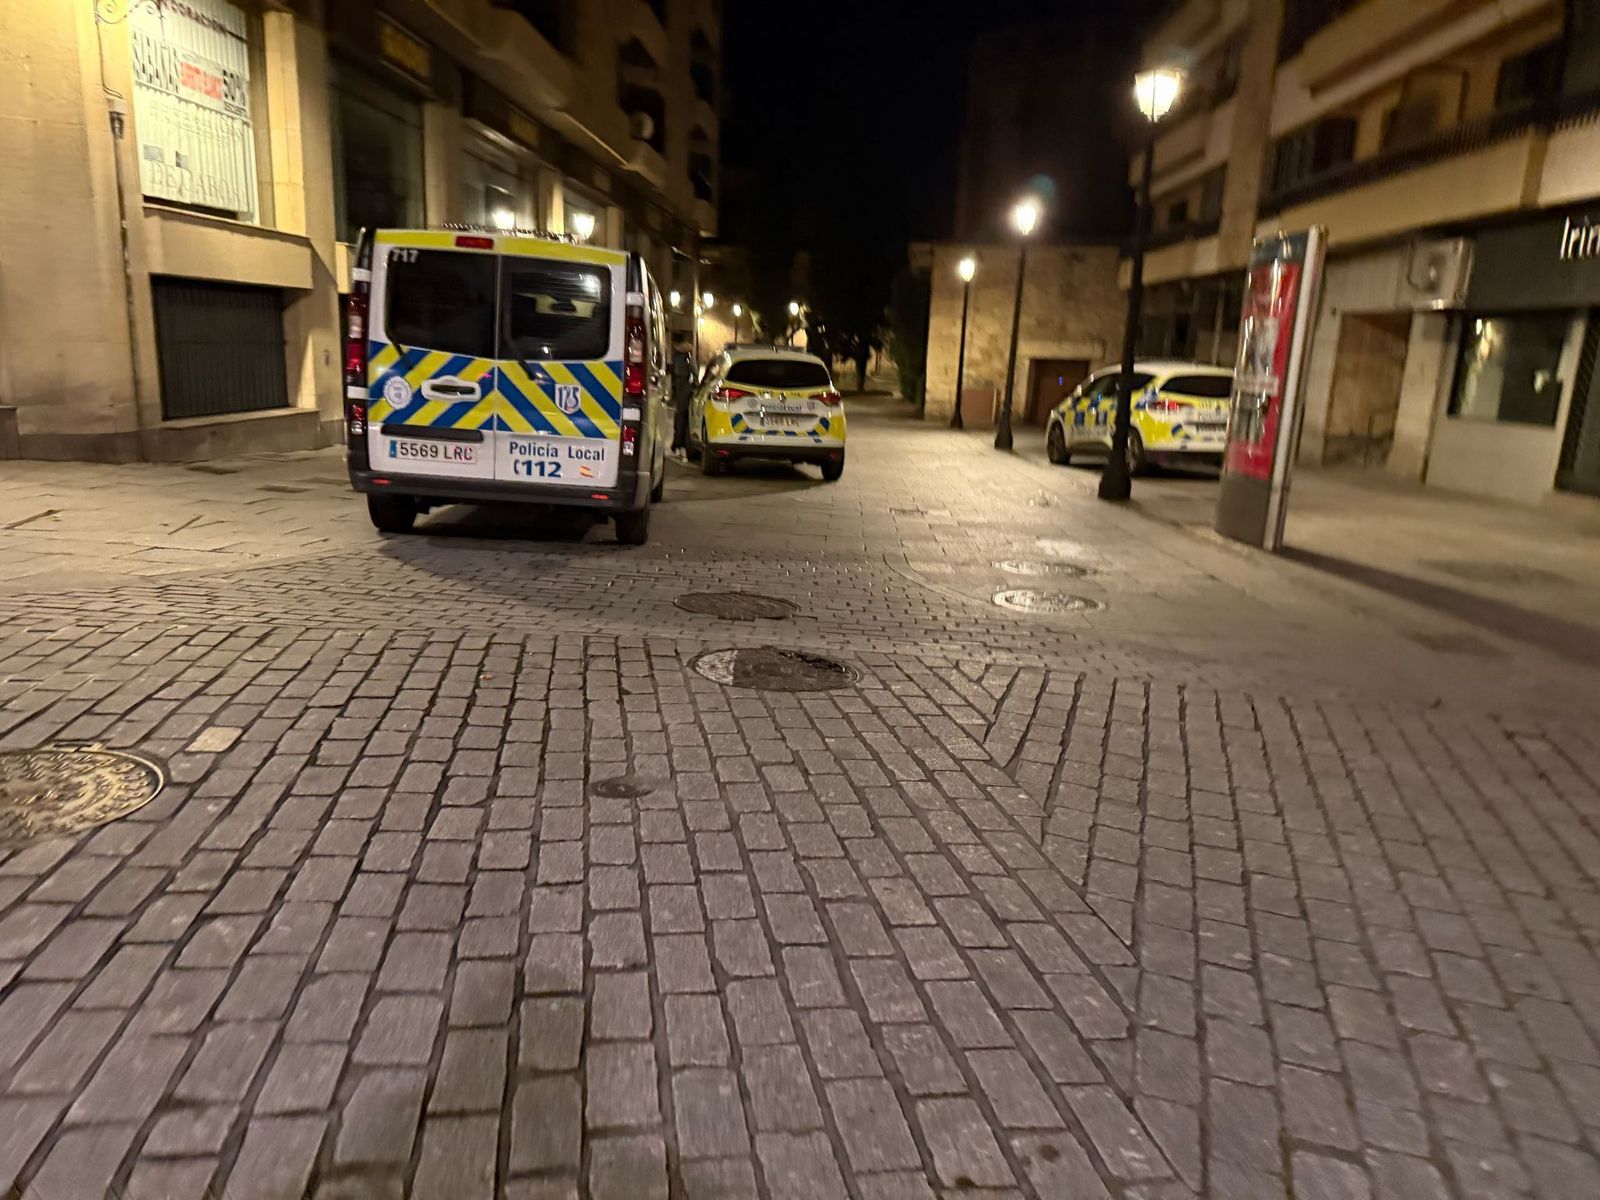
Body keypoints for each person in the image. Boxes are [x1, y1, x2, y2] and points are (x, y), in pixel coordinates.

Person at [670, 333, 695, 454]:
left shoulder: (678, 354)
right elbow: (693, 369)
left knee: (680, 415)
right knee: (682, 415)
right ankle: (679, 442)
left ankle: (678, 442)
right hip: (685, 386)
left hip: (681, 386)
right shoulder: (687, 354)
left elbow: (677, 371)